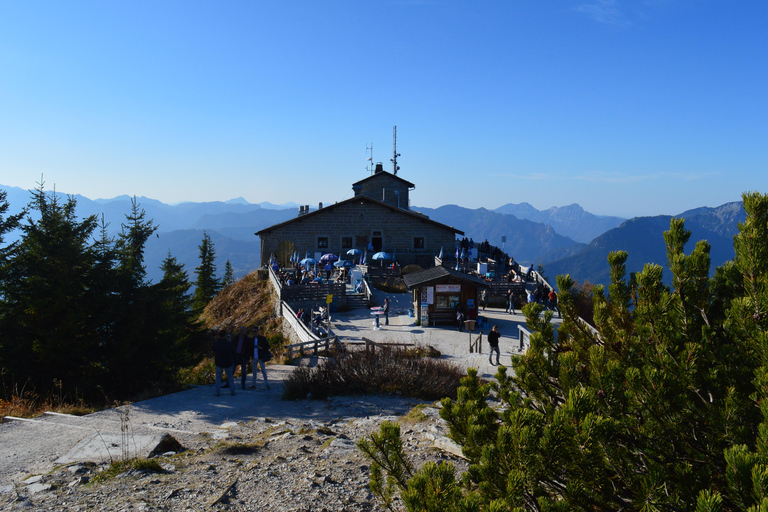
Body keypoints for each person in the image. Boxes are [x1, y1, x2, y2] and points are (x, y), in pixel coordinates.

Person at [213, 329, 236, 396]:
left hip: (219, 362)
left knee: (218, 377)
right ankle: (232, 390)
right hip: (228, 362)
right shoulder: (229, 343)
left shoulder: (216, 343)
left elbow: (213, 350)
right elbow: (233, 352)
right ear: (225, 335)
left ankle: (217, 391)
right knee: (230, 377)